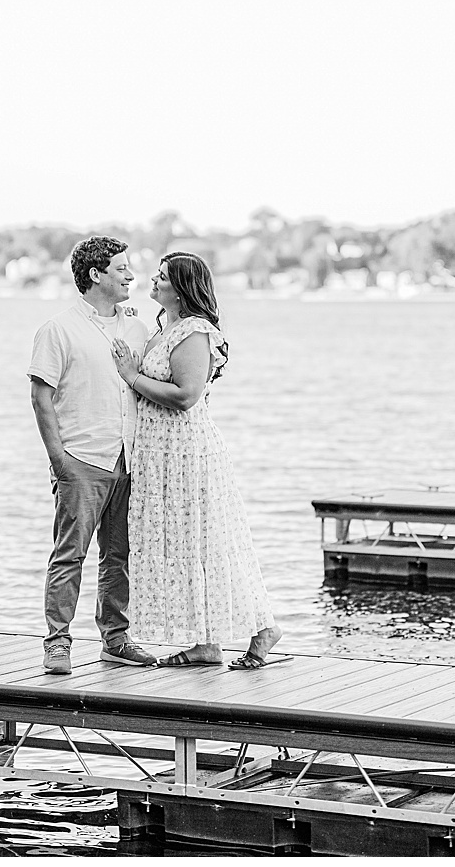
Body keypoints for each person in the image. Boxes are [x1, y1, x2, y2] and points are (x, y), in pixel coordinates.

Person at [111, 252, 282, 669]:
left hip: (186, 454)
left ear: (182, 288)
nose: (153, 279)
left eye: (163, 276)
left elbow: (186, 396)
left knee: (209, 545)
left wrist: (132, 377)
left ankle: (264, 628)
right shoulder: (164, 328)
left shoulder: (193, 332)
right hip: (158, 455)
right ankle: (206, 643)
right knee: (187, 549)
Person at [28, 236, 159, 675]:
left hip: (129, 458)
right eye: (121, 269)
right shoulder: (58, 330)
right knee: (70, 554)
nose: (131, 276)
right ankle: (57, 642)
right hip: (81, 460)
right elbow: (40, 398)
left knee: (119, 555)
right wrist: (58, 460)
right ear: (95, 275)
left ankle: (116, 639)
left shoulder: (138, 328)